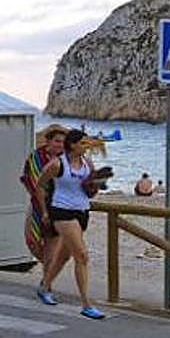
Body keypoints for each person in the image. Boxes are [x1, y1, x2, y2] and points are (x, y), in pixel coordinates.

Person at [34, 129, 105, 319]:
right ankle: (86, 304)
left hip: (82, 210)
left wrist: (97, 184)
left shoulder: (87, 164)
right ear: (72, 144)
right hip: (62, 211)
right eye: (82, 143)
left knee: (63, 256)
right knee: (81, 255)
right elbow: (40, 184)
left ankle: (44, 286)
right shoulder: (57, 164)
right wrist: (45, 211)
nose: (86, 146)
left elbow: (91, 187)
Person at [20, 126, 66, 267]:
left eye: (63, 142)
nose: (60, 145)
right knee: (32, 241)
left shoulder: (65, 159)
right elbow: (32, 181)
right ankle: (50, 267)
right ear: (48, 141)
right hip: (37, 203)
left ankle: (47, 279)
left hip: (59, 205)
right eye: (57, 141)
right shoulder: (36, 157)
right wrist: (42, 207)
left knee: (51, 242)